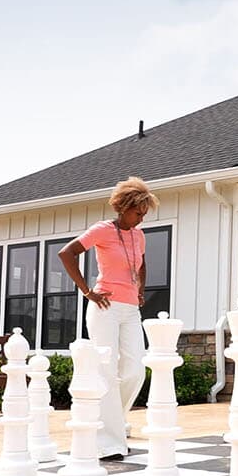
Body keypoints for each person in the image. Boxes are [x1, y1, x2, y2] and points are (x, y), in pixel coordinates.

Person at [59, 176, 158, 461]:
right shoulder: (102, 230)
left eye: (144, 214)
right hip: (105, 307)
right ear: (124, 206)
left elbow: (142, 263)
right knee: (107, 372)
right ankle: (109, 442)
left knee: (135, 370)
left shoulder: (138, 236)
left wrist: (140, 289)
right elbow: (67, 253)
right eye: (137, 213)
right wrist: (87, 291)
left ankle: (112, 421)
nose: (140, 219)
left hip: (130, 309)